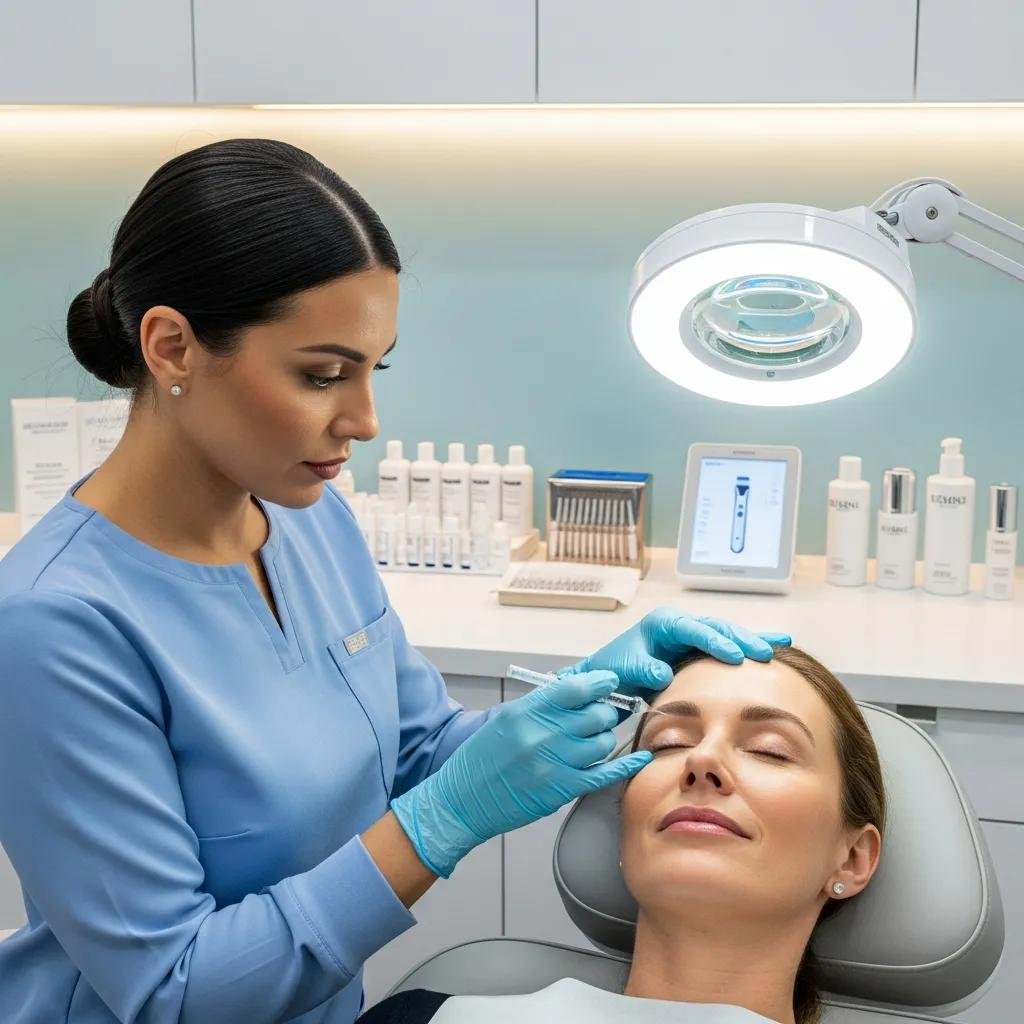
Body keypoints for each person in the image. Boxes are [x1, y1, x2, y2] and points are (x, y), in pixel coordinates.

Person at [0, 137, 789, 1024]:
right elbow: (174, 994)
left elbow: (415, 751)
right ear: (173, 346)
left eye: (376, 370)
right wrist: (438, 823)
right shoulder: (52, 627)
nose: (366, 420)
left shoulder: (306, 518)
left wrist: (590, 694)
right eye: (323, 375)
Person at [360, 645, 884, 1024]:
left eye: (770, 749)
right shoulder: (429, 1017)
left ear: (853, 859)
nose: (702, 760)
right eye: (669, 742)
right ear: (625, 827)